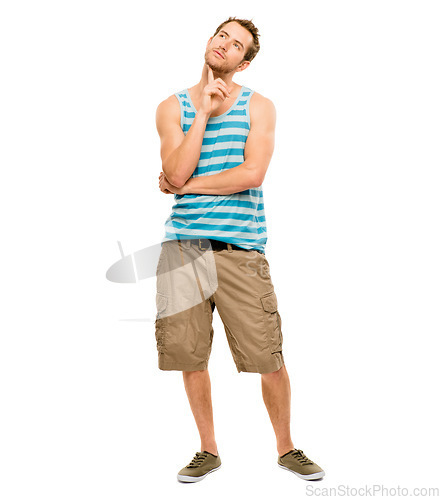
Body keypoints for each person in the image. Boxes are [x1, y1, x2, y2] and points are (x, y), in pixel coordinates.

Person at [154, 16, 325, 483]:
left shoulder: (260, 107)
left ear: (244, 63)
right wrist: (204, 113)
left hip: (240, 250)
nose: (226, 46)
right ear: (210, 42)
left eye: (238, 45)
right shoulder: (172, 108)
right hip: (182, 249)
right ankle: (208, 450)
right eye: (222, 36)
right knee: (190, 357)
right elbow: (175, 165)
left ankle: (287, 448)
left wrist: (184, 187)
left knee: (267, 355)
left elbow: (251, 174)